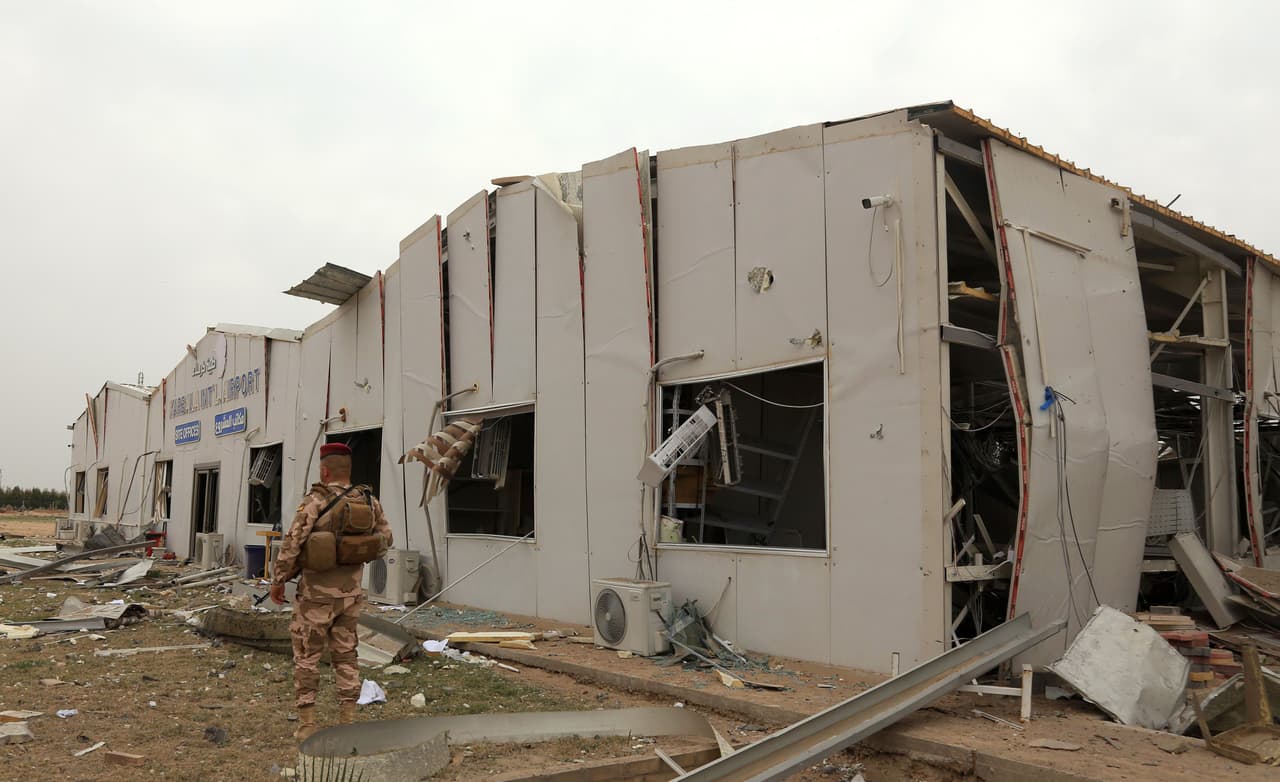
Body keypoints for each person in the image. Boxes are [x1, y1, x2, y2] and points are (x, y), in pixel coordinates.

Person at [270, 442, 392, 741]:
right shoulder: (369, 501)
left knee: (307, 655)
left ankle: (308, 722)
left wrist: (278, 579)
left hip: (316, 596)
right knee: (346, 654)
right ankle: (347, 720)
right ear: (348, 470)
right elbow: (386, 539)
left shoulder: (314, 501)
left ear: (324, 470)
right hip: (350, 595)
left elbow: (292, 543)